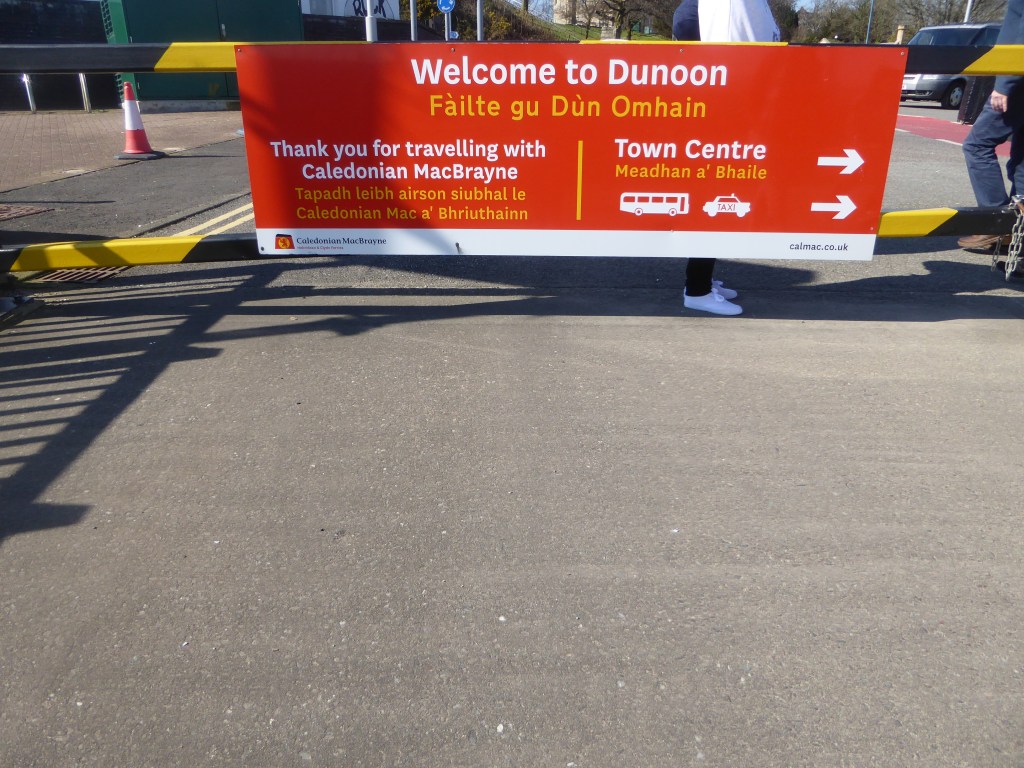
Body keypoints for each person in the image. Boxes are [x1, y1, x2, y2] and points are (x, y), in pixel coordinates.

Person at [674, 0, 780, 315]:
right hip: (727, 111)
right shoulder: (732, 4)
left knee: (716, 200)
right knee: (713, 198)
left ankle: (702, 282)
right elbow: (731, 58)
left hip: (727, 108)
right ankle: (697, 290)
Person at [958, 0, 1024, 253]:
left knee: (977, 145)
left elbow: (1020, 34)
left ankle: (998, 223)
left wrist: (1005, 83)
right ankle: (1019, 233)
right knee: (1021, 158)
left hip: (1018, 79)